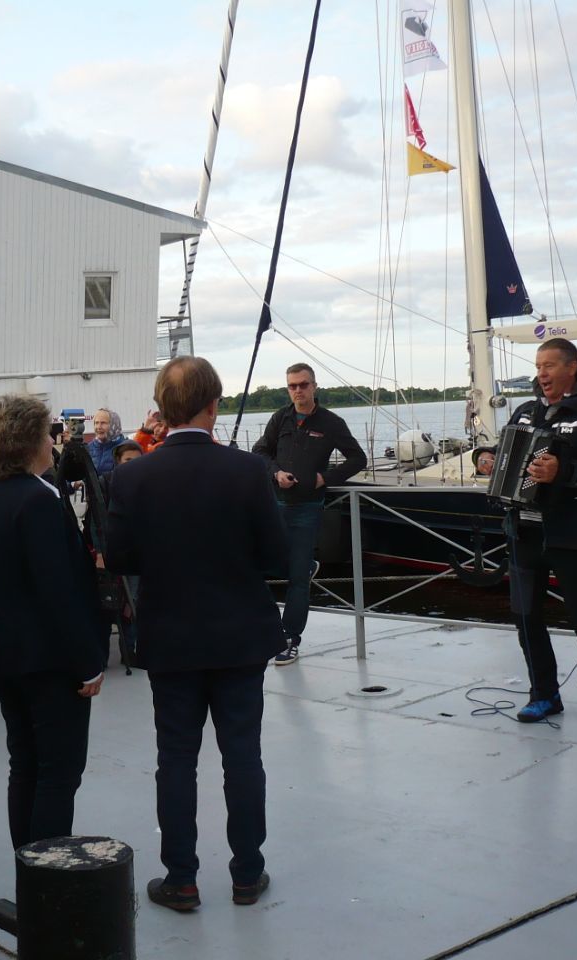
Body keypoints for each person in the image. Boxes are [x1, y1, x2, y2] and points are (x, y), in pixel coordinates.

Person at [106, 356, 287, 912]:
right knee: (243, 758)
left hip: (171, 637)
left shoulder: (130, 475)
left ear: (162, 410)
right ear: (214, 405)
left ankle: (181, 879)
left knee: (176, 760)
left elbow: (118, 556)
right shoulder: (247, 470)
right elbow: (275, 555)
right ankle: (246, 874)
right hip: (239, 636)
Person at [0, 395, 107, 851]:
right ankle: (49, 883)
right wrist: (87, 662)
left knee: (24, 765)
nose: (54, 439)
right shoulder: (38, 500)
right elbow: (58, 590)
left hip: (6, 652)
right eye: (48, 431)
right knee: (59, 773)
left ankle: (29, 876)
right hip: (49, 659)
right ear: (29, 440)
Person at [479, 338, 577, 729]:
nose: (540, 374)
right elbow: (503, 448)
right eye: (538, 366)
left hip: (571, 530)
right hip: (524, 530)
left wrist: (564, 472)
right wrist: (485, 457)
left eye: (549, 366)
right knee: (526, 618)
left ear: (572, 367)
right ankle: (543, 695)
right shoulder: (526, 411)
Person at [253, 362, 367, 666]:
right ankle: (269, 623)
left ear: (314, 386)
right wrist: (276, 472)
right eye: (292, 386)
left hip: (307, 507)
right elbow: (260, 451)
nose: (298, 391)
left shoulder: (331, 422)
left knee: (298, 579)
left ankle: (290, 637)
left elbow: (358, 458)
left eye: (303, 385)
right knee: (263, 566)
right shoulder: (281, 418)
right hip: (275, 503)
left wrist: (325, 479)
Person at [85, 408, 126, 478]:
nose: (98, 427)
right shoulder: (89, 448)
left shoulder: (125, 448)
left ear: (114, 425)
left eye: (103, 423)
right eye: (96, 423)